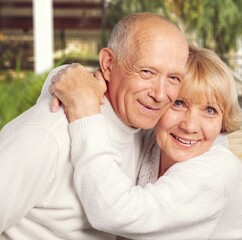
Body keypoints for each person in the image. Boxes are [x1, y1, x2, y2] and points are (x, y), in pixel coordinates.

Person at [0, 12, 189, 239]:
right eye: (146, 72)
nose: (160, 94)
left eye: (174, 78)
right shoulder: (47, 135)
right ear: (108, 64)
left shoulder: (143, 130)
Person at [52, 46, 242, 239]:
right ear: (159, 101)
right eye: (179, 103)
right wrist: (81, 82)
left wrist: (85, 112)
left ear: (223, 119)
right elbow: (96, 88)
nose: (190, 126)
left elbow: (117, 214)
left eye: (210, 110)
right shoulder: (153, 139)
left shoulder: (217, 172)